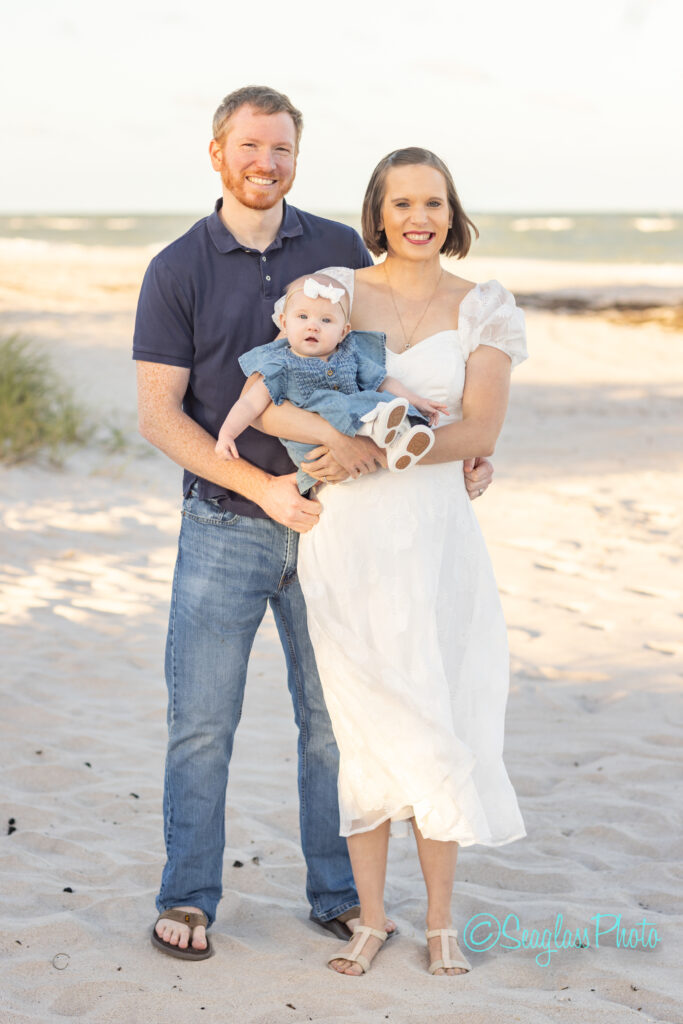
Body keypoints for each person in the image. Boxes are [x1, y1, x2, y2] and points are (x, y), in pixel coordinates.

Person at [134, 85, 495, 959]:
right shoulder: (176, 267)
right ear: (217, 152)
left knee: (333, 719)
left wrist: (466, 442)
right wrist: (260, 491)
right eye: (251, 147)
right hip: (225, 521)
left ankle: (337, 896)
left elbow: (400, 363)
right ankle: (187, 899)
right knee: (202, 721)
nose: (266, 164)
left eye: (282, 150)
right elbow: (160, 415)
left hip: (340, 526)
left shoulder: (336, 250)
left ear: (297, 156)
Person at [252, 148, 527, 976]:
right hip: (349, 539)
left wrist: (390, 453)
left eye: (434, 202)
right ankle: (372, 919)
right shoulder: (336, 292)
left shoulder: (483, 306)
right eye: (402, 201)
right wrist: (335, 443)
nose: (419, 216)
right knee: (360, 724)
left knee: (437, 713)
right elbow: (278, 395)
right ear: (377, 212)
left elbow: (478, 431)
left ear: (452, 212)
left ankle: (440, 921)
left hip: (436, 539)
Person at [216, 272, 448, 492]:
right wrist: (227, 434)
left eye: (326, 320)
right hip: (315, 452)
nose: (313, 325)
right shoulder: (280, 365)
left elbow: (383, 381)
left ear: (343, 332)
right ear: (284, 324)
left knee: (382, 398)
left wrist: (417, 401)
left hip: (358, 441)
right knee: (336, 401)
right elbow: (249, 404)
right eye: (303, 317)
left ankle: (399, 444)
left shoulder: (349, 355)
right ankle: (378, 427)